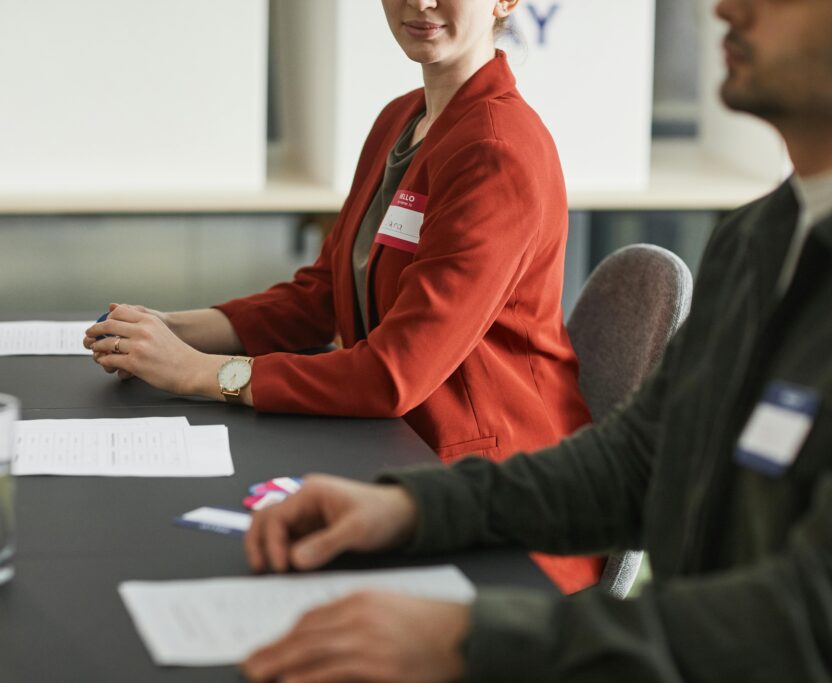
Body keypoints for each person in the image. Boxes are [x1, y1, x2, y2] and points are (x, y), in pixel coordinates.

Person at [238, 0, 832, 680]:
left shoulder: (498, 143)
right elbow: (637, 463)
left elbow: (805, 617)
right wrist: (410, 506)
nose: (727, 8)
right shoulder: (758, 237)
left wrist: (468, 637)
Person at [86, 0, 602, 593]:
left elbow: (392, 373)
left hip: (495, 504)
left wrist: (203, 374)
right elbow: (321, 295)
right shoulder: (401, 120)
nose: (421, 2)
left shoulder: (497, 152)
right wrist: (169, 330)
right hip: (392, 455)